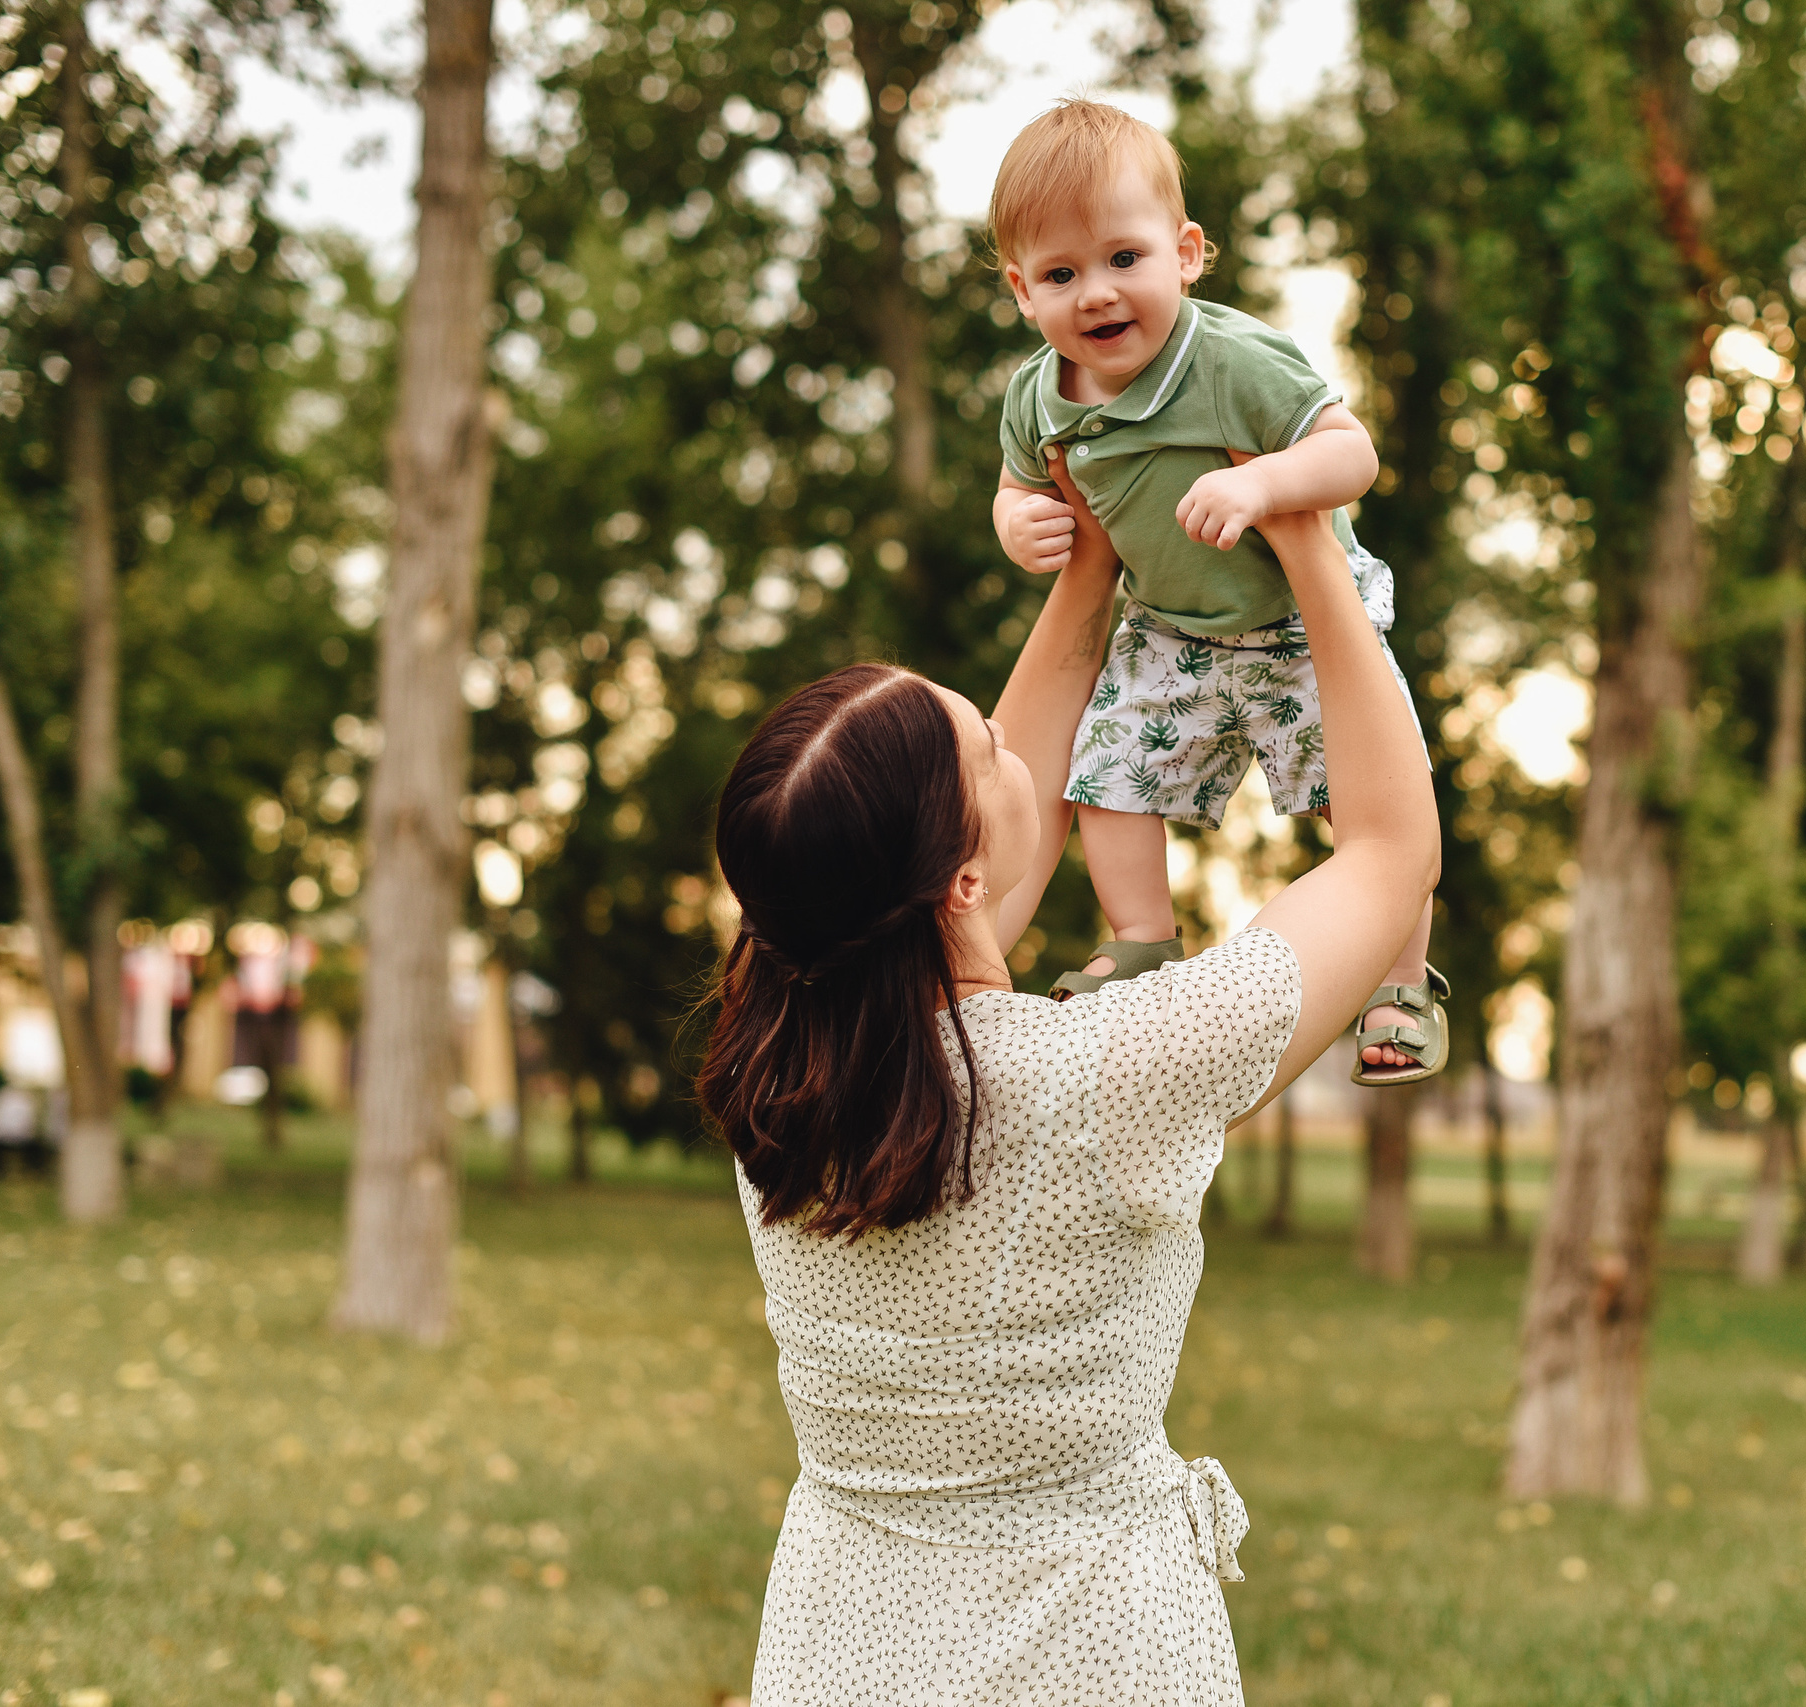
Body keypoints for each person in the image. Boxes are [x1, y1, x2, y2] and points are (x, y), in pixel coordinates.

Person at [698, 463, 1438, 1706]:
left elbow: (963, 867)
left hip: (843, 1651)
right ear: (960, 881)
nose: (1013, 744)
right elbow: (1389, 851)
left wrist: (1093, 566)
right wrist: (1312, 550)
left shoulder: (778, 1070)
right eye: (987, 747)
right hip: (1086, 1650)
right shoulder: (1110, 1071)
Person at [986, 97, 1445, 1084]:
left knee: (1367, 805)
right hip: (1167, 629)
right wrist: (1018, 522)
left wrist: (1260, 482)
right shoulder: (1037, 398)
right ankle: (1143, 935)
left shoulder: (1232, 360)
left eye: (1124, 258)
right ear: (1024, 293)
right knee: (1104, 777)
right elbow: (1019, 485)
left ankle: (1400, 983)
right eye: (1062, 275)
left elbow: (1350, 451)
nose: (1098, 294)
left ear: (1185, 254)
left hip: (1295, 626)